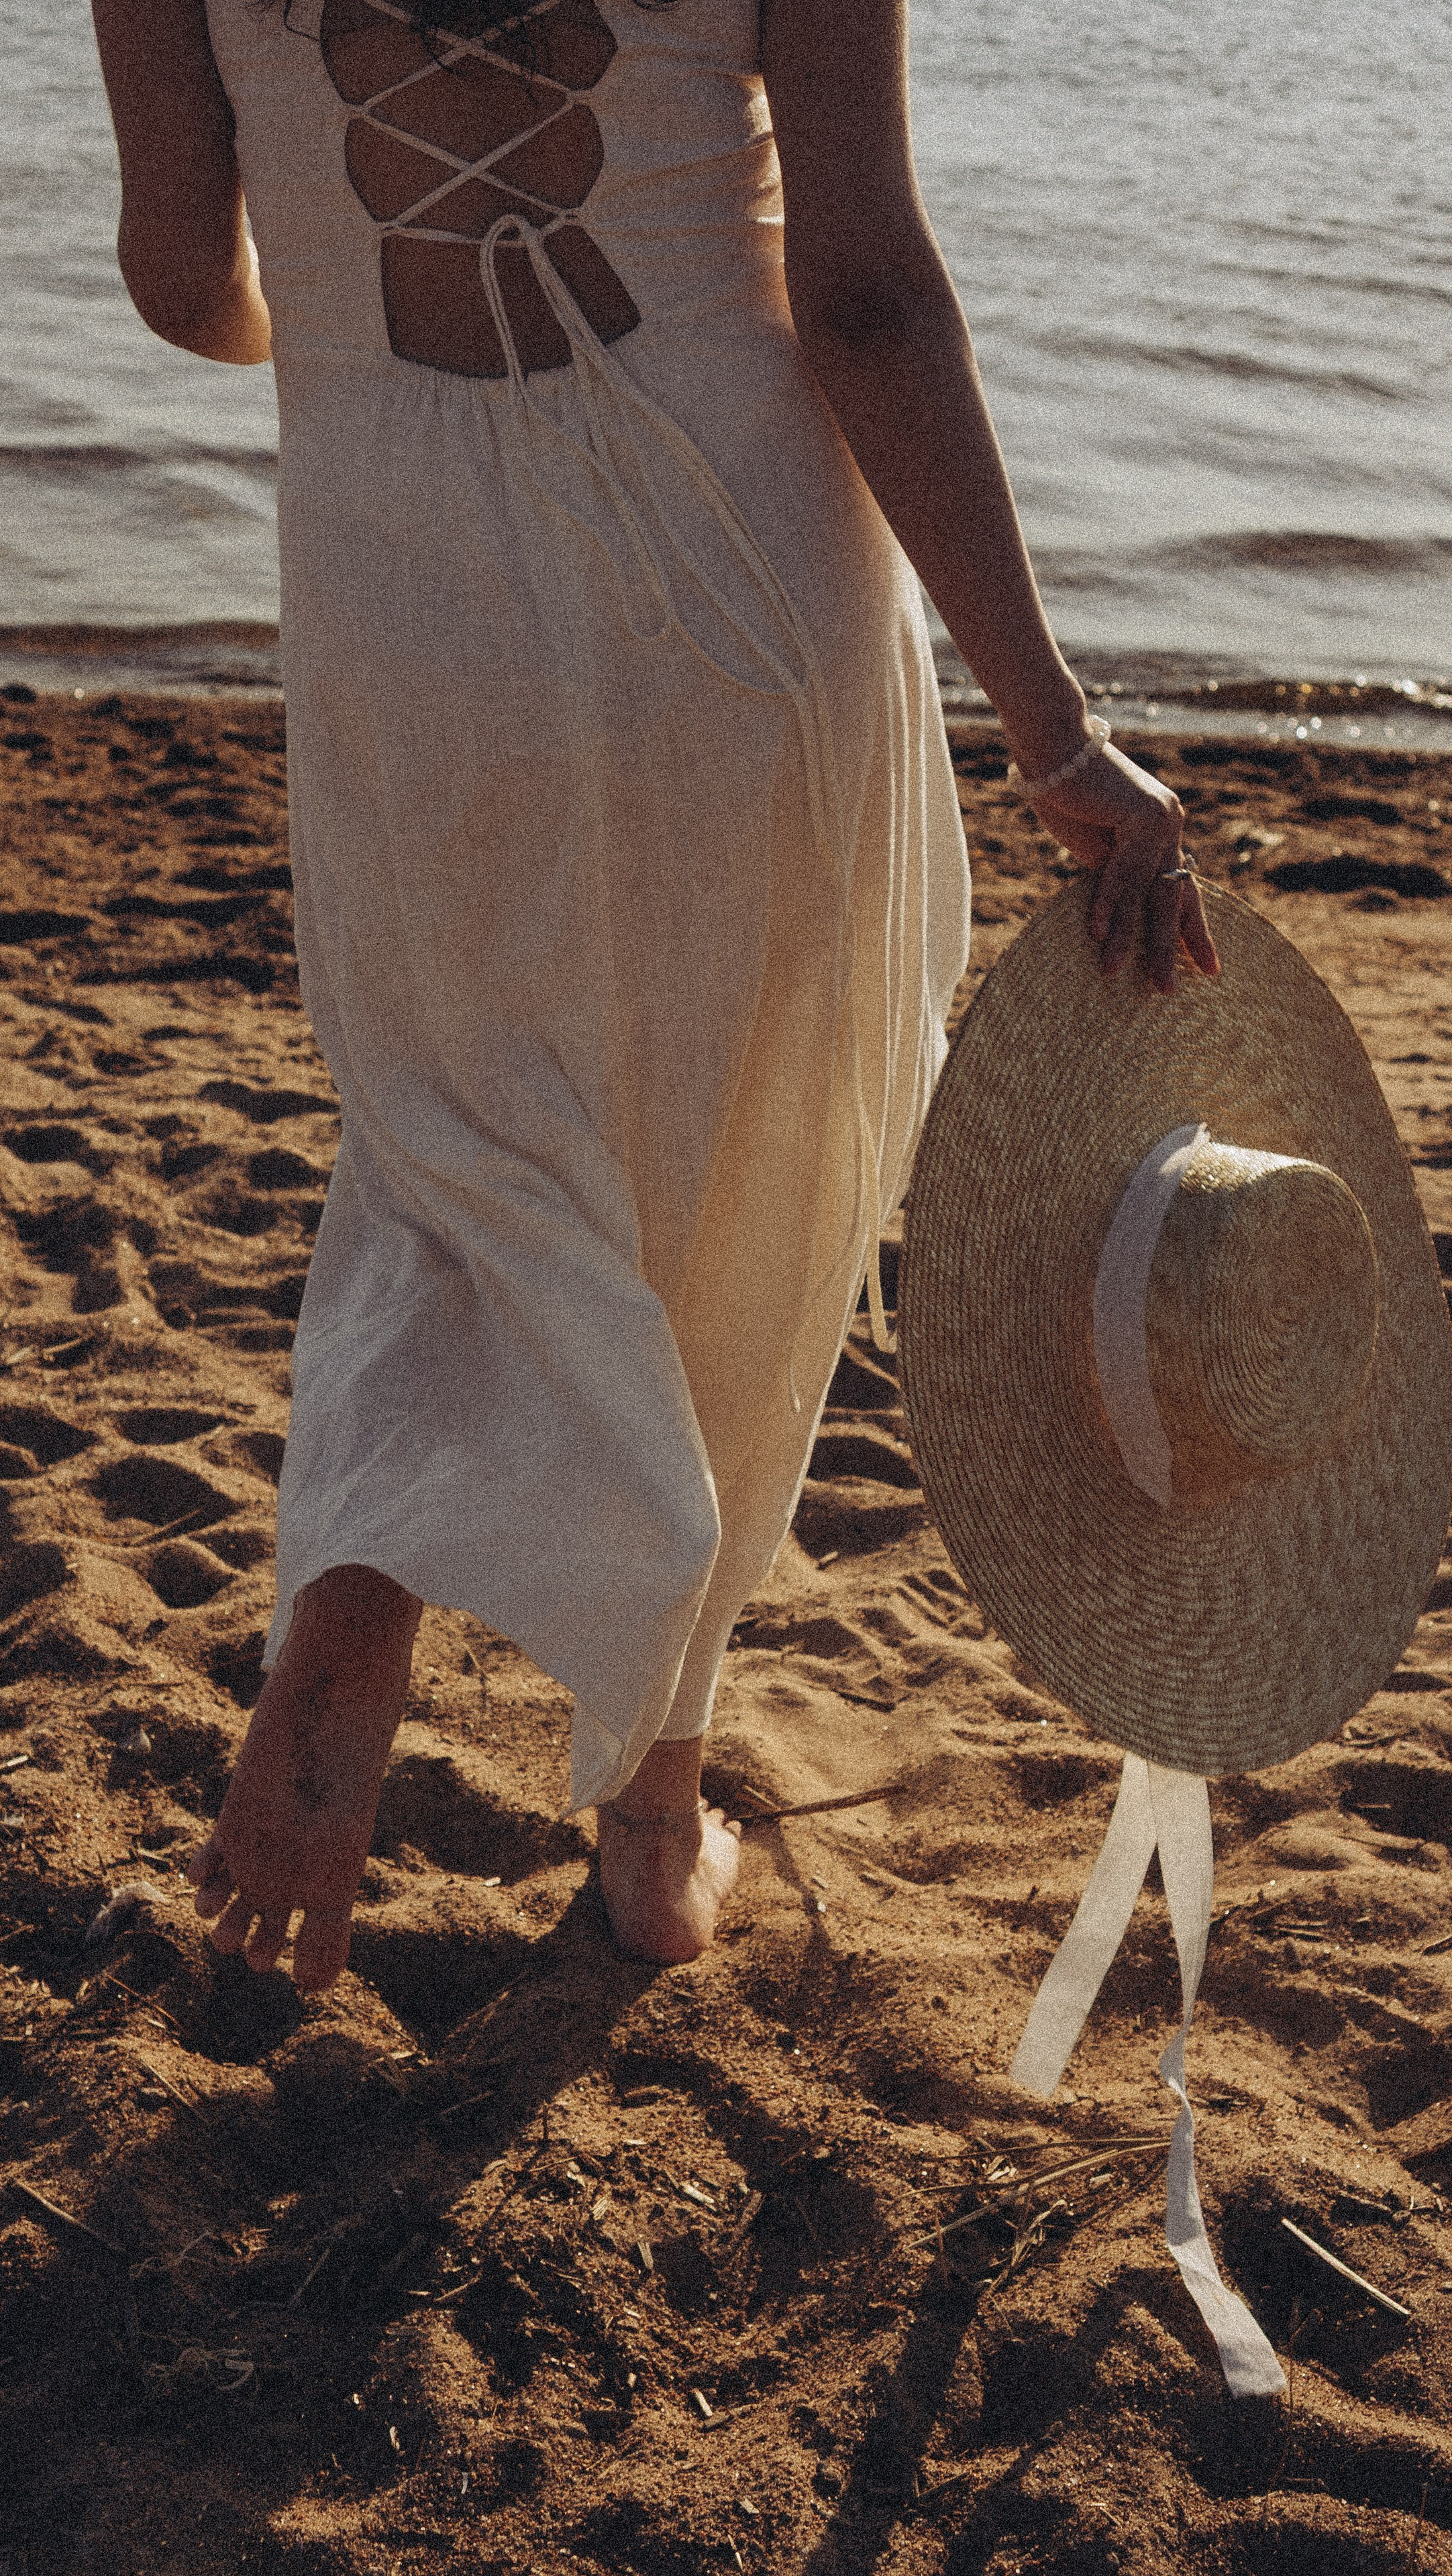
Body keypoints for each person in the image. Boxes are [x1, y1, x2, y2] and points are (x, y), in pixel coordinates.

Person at [90, 0, 1218, 1992]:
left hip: (399, 562)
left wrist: (330, 327)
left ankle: (355, 1606)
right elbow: (866, 303)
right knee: (747, 1170)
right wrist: (1052, 729)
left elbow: (185, 276)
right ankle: (649, 1796)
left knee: (450, 1137)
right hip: (740, 558)